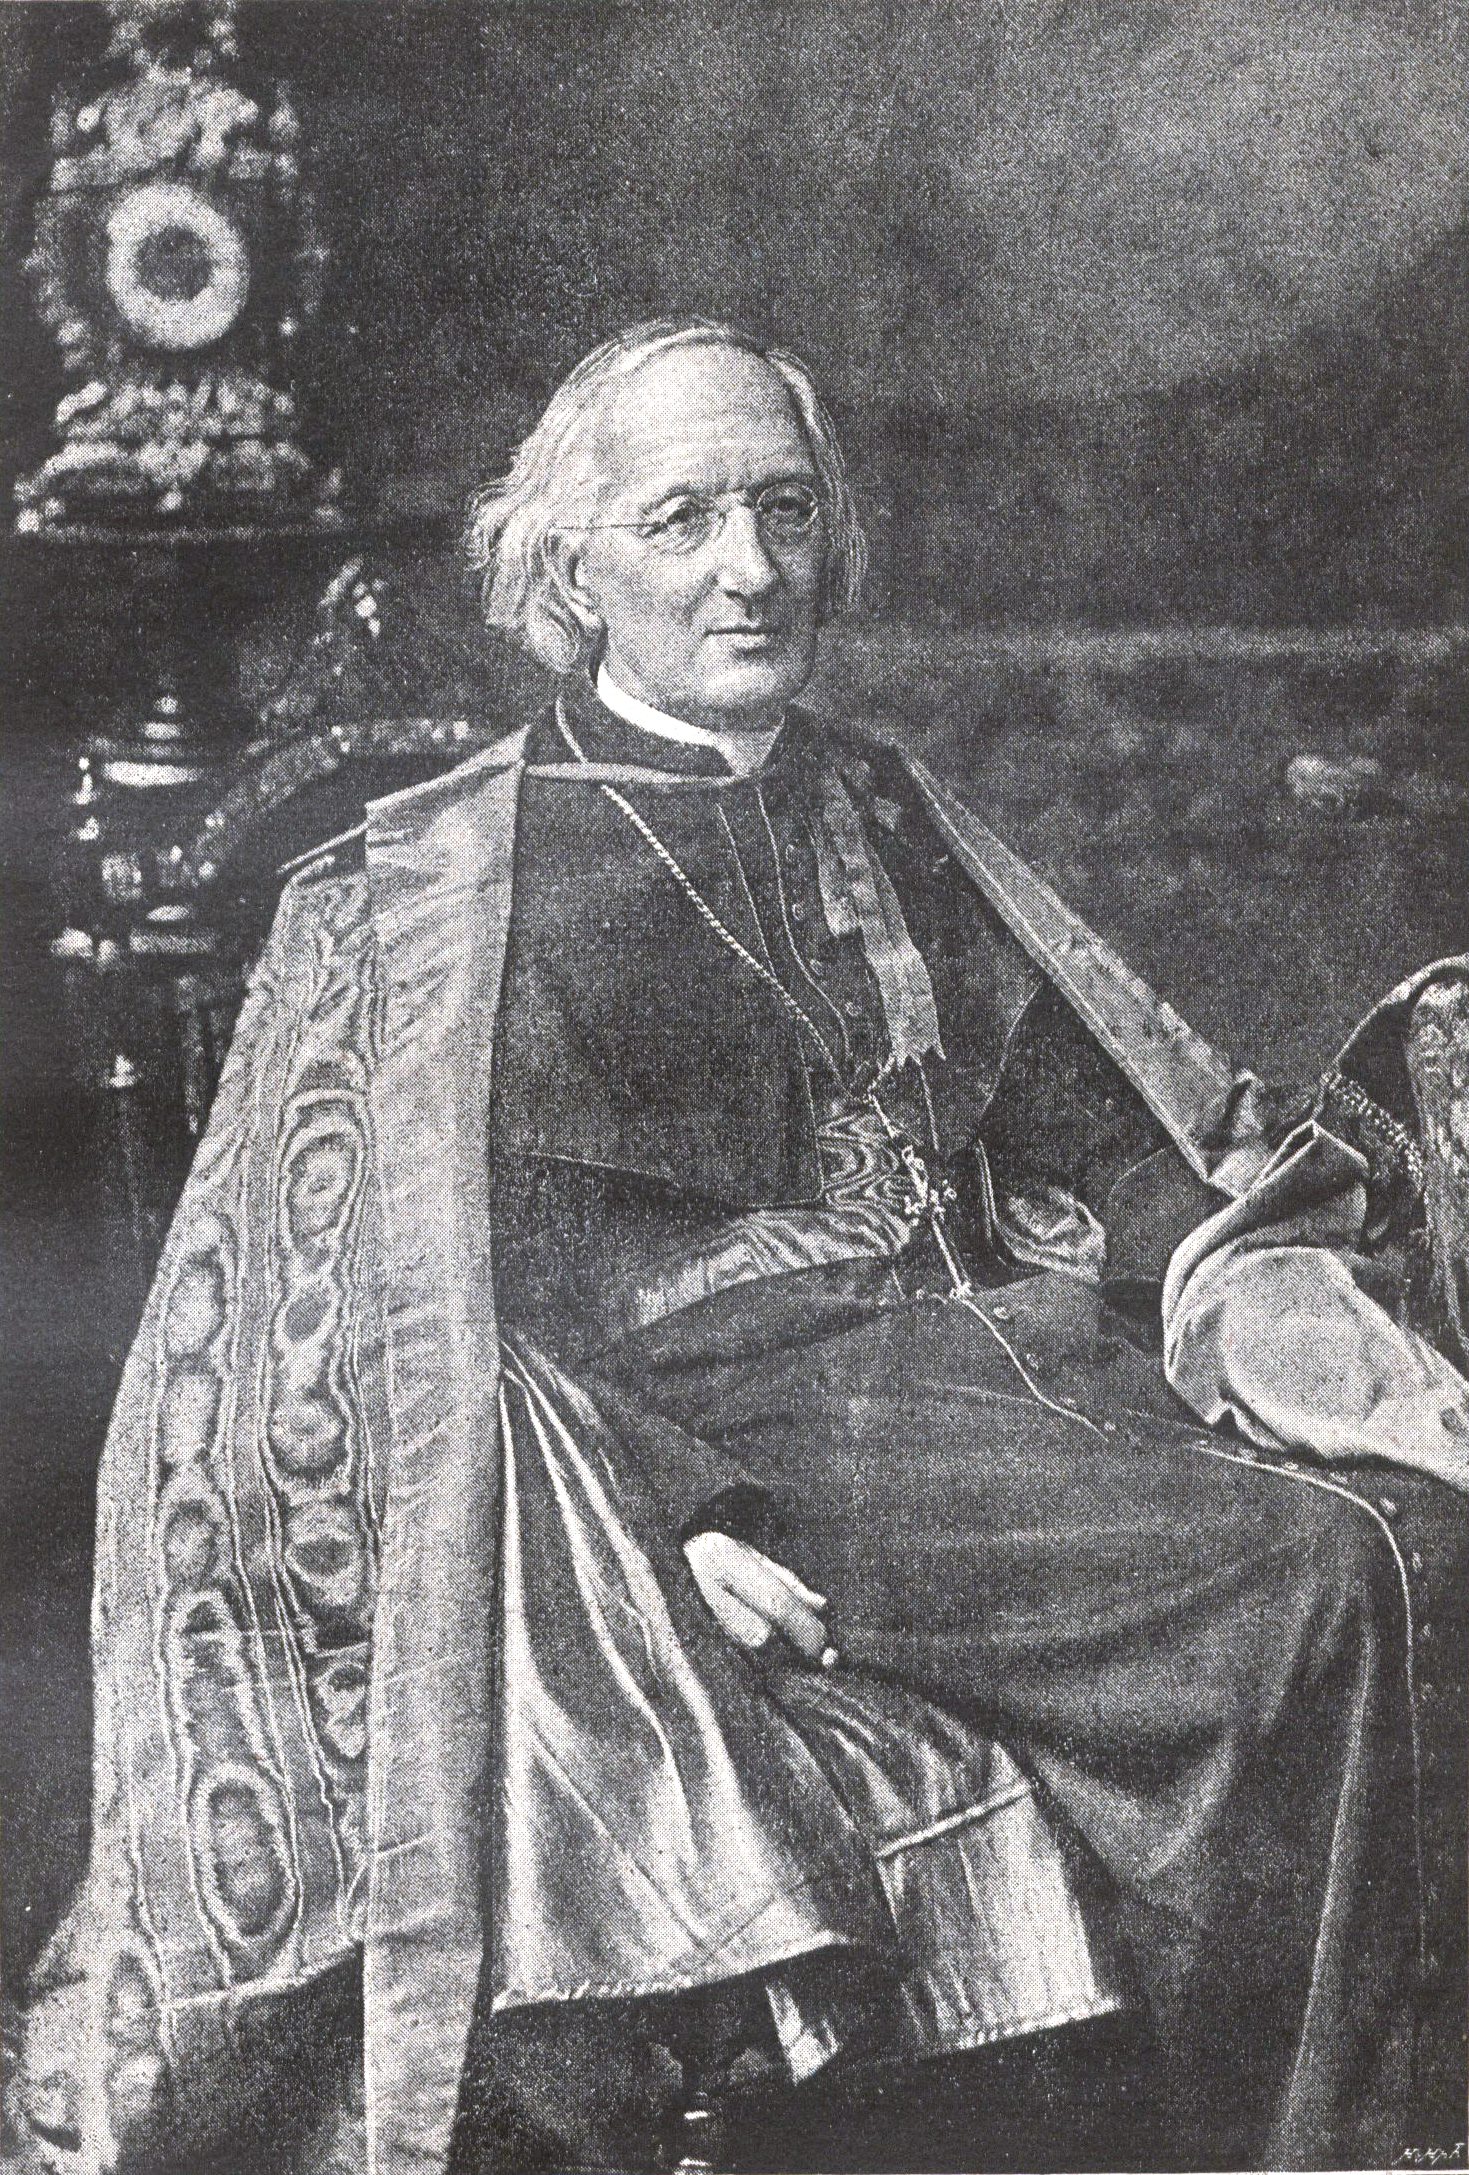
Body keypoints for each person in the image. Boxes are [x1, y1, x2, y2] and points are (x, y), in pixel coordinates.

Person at [13, 319, 1466, 2175]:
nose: (749, 569)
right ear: (571, 570)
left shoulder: (878, 801)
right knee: (1314, 1573)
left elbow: (1100, 1129)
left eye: (782, 510)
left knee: (1414, 1515)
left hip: (1002, 1368)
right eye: (682, 519)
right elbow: (407, 1310)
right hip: (751, 1436)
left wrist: (1246, 1294)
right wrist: (660, 1522)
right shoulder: (435, 886)